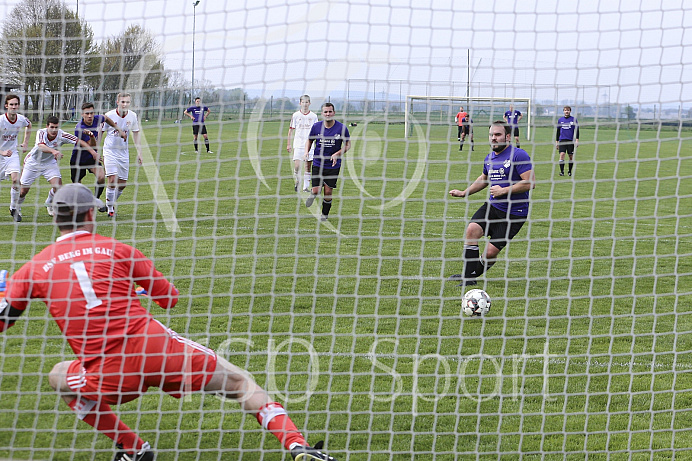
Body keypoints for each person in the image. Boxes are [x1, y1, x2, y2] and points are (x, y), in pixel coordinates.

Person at [0, 183, 340, 461]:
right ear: (91, 213)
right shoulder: (118, 249)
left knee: (58, 375)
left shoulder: (33, 268)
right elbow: (169, 298)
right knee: (240, 385)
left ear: (55, 218)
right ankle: (297, 446)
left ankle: (133, 448)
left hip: (108, 375)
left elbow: (4, 319)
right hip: (157, 351)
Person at [448, 120, 535, 287]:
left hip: (514, 214)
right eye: (491, 135)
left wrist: (504, 190)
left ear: (507, 137)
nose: (493, 138)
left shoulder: (518, 155)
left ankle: (472, 273)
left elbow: (530, 182)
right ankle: (468, 277)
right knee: (472, 230)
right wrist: (465, 192)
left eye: (498, 135)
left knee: (490, 253)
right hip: (493, 207)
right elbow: (484, 179)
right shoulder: (489, 158)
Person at [17, 115, 98, 220]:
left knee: (58, 187)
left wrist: (93, 152)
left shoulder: (62, 135)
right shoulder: (41, 132)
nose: (54, 130)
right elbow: (41, 146)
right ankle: (16, 207)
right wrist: (53, 151)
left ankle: (49, 202)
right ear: (47, 126)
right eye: (52, 127)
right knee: (23, 191)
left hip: (49, 163)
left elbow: (80, 142)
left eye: (56, 127)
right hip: (33, 163)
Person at [70, 102, 126, 207]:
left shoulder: (97, 119)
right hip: (78, 159)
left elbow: (106, 118)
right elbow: (90, 146)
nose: (90, 116)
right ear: (82, 114)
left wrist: (119, 130)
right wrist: (91, 136)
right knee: (77, 186)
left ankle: (95, 200)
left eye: (91, 113)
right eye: (87, 114)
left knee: (101, 177)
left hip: (91, 158)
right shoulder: (79, 128)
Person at [304, 103, 351, 221]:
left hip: (333, 165)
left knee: (328, 192)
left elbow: (348, 145)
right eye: (325, 112)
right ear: (322, 114)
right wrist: (306, 152)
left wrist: (337, 154)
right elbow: (309, 141)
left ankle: (324, 215)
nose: (328, 114)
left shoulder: (342, 128)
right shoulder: (316, 127)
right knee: (316, 190)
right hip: (318, 163)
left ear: (334, 113)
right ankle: (313, 195)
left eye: (330, 112)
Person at [102, 93, 143, 218]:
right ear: (117, 102)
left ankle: (110, 202)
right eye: (123, 102)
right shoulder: (109, 115)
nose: (125, 104)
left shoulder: (133, 116)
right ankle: (110, 209)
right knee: (112, 180)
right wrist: (97, 151)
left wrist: (140, 153)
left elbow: (136, 134)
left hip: (123, 153)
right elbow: (100, 132)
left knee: (122, 184)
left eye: (127, 102)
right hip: (109, 151)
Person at [0, 94, 32, 222]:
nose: (14, 107)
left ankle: (14, 208)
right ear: (6, 106)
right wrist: (1, 152)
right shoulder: (1, 120)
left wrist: (25, 143)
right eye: (11, 104)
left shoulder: (21, 119)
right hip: (1, 154)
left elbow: (28, 125)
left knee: (16, 179)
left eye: (16, 104)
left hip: (12, 154)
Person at [287, 95, 318, 192]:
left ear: (309, 103)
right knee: (297, 165)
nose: (305, 104)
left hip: (310, 145)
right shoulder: (296, 115)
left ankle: (306, 187)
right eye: (303, 102)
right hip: (298, 144)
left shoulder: (313, 116)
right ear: (300, 103)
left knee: (308, 166)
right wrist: (288, 144)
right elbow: (291, 130)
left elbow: (317, 131)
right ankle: (297, 180)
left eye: (307, 102)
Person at [555, 105, 580, 176]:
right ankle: (562, 172)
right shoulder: (560, 120)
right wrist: (557, 142)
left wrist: (577, 140)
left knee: (570, 156)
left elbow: (577, 130)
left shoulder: (573, 120)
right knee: (562, 155)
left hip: (570, 141)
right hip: (562, 140)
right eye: (565, 110)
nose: (567, 111)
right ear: (563, 111)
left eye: (568, 110)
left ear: (570, 111)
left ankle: (569, 171)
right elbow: (558, 131)